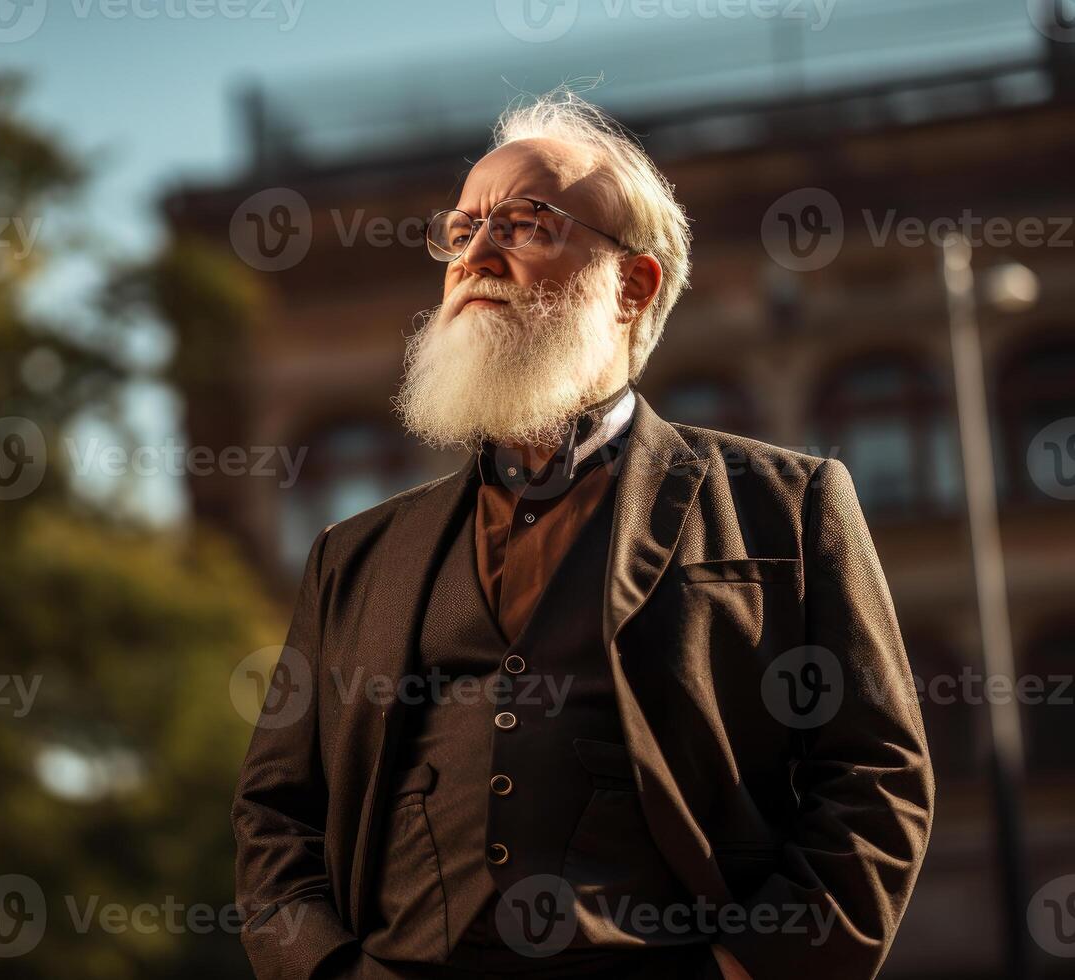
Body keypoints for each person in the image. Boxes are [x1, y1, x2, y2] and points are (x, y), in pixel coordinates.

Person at [232, 89, 933, 980]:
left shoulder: (787, 506)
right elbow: (274, 815)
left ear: (632, 285)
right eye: (462, 231)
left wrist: (749, 970)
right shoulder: (353, 557)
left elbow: (875, 779)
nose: (476, 256)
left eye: (525, 224)